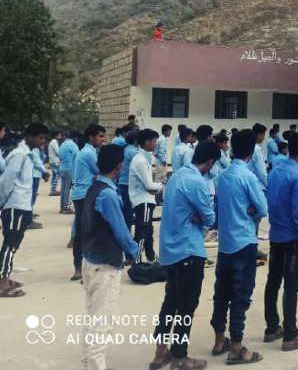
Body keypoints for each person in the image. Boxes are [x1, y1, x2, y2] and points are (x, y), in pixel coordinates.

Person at [151, 141, 218, 370]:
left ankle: (161, 352)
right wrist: (201, 216)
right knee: (187, 305)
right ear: (210, 162)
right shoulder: (197, 182)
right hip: (188, 249)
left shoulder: (176, 176)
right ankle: (180, 356)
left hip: (169, 249)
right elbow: (209, 218)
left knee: (170, 302)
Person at [80, 144, 140, 370]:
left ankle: (89, 363)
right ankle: (96, 366)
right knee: (102, 321)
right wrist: (134, 251)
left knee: (92, 315)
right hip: (104, 265)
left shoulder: (93, 188)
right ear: (119, 166)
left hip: (90, 260)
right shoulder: (107, 195)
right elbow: (121, 231)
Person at [211, 129, 268, 364]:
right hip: (244, 242)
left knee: (221, 293)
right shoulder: (248, 177)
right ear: (252, 151)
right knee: (240, 295)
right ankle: (236, 347)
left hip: (225, 243)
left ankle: (219, 339)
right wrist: (251, 210)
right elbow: (262, 208)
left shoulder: (222, 176)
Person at [263, 132, 298, 351]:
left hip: (276, 234)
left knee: (273, 282)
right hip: (292, 238)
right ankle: (291, 334)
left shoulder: (275, 171)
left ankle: (271, 327)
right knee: (291, 285)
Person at [0, 123, 49, 297]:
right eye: (40, 138)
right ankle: (2, 283)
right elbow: (6, 181)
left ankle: (5, 277)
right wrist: (2, 202)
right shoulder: (19, 154)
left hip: (23, 206)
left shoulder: (28, 154)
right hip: (15, 206)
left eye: (44, 138)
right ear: (29, 137)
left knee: (14, 244)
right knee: (10, 244)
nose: (43, 142)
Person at [71, 123, 106, 281]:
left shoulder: (89, 151)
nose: (103, 139)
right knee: (84, 232)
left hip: (84, 194)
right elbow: (100, 171)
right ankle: (79, 268)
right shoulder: (88, 153)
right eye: (100, 136)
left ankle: (83, 267)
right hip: (85, 195)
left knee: (86, 231)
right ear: (91, 137)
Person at [129, 128, 163, 262]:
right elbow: (149, 185)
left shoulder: (145, 158)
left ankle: (150, 257)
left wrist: (154, 188)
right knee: (143, 232)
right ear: (147, 142)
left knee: (147, 231)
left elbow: (149, 186)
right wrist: (161, 186)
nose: (155, 144)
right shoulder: (140, 161)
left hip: (145, 200)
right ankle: (137, 260)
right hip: (142, 201)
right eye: (154, 141)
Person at [58, 130, 80, 214]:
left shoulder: (62, 144)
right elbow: (77, 157)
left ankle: (62, 207)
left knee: (63, 188)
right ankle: (66, 208)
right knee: (69, 189)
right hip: (70, 169)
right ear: (75, 137)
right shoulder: (73, 145)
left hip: (62, 168)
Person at [48, 129, 62, 196]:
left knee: (54, 175)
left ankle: (53, 189)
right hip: (55, 161)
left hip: (52, 161)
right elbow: (58, 152)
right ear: (56, 136)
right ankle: (53, 189)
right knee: (57, 175)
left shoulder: (52, 142)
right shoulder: (54, 142)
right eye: (59, 134)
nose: (60, 136)